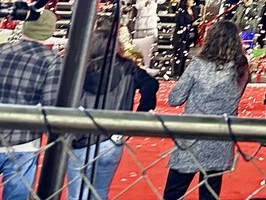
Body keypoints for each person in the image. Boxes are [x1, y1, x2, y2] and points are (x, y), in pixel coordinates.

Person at [67, 17, 159, 200]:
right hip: (112, 138)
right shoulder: (128, 68)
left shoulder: (78, 68)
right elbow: (150, 84)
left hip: (81, 136)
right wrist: (141, 113)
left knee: (76, 194)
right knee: (100, 193)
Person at [162, 19, 250, 200]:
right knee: (210, 193)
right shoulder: (241, 68)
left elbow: (174, 99)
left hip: (192, 136)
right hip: (220, 137)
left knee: (174, 191)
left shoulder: (199, 65)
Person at [0, 11, 61, 200]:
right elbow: (51, 104)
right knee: (17, 194)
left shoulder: (2, 49)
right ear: (49, 31)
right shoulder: (51, 60)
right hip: (23, 140)